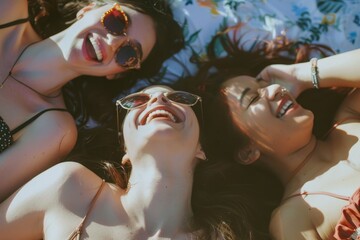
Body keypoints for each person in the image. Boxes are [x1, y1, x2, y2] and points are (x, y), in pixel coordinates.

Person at [0, 85, 282, 239]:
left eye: (178, 98)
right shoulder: (68, 188)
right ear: (125, 148)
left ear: (201, 149)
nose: (158, 98)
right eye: (138, 99)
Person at [0, 0, 184, 202]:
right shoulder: (9, 8)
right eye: (117, 21)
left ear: (116, 74)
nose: (114, 43)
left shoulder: (54, 130)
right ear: (89, 9)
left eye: (129, 53)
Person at [203, 48, 360, 239]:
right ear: (247, 152)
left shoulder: (349, 117)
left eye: (268, 84)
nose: (275, 89)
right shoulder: (293, 217)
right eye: (253, 98)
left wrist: (300, 75)